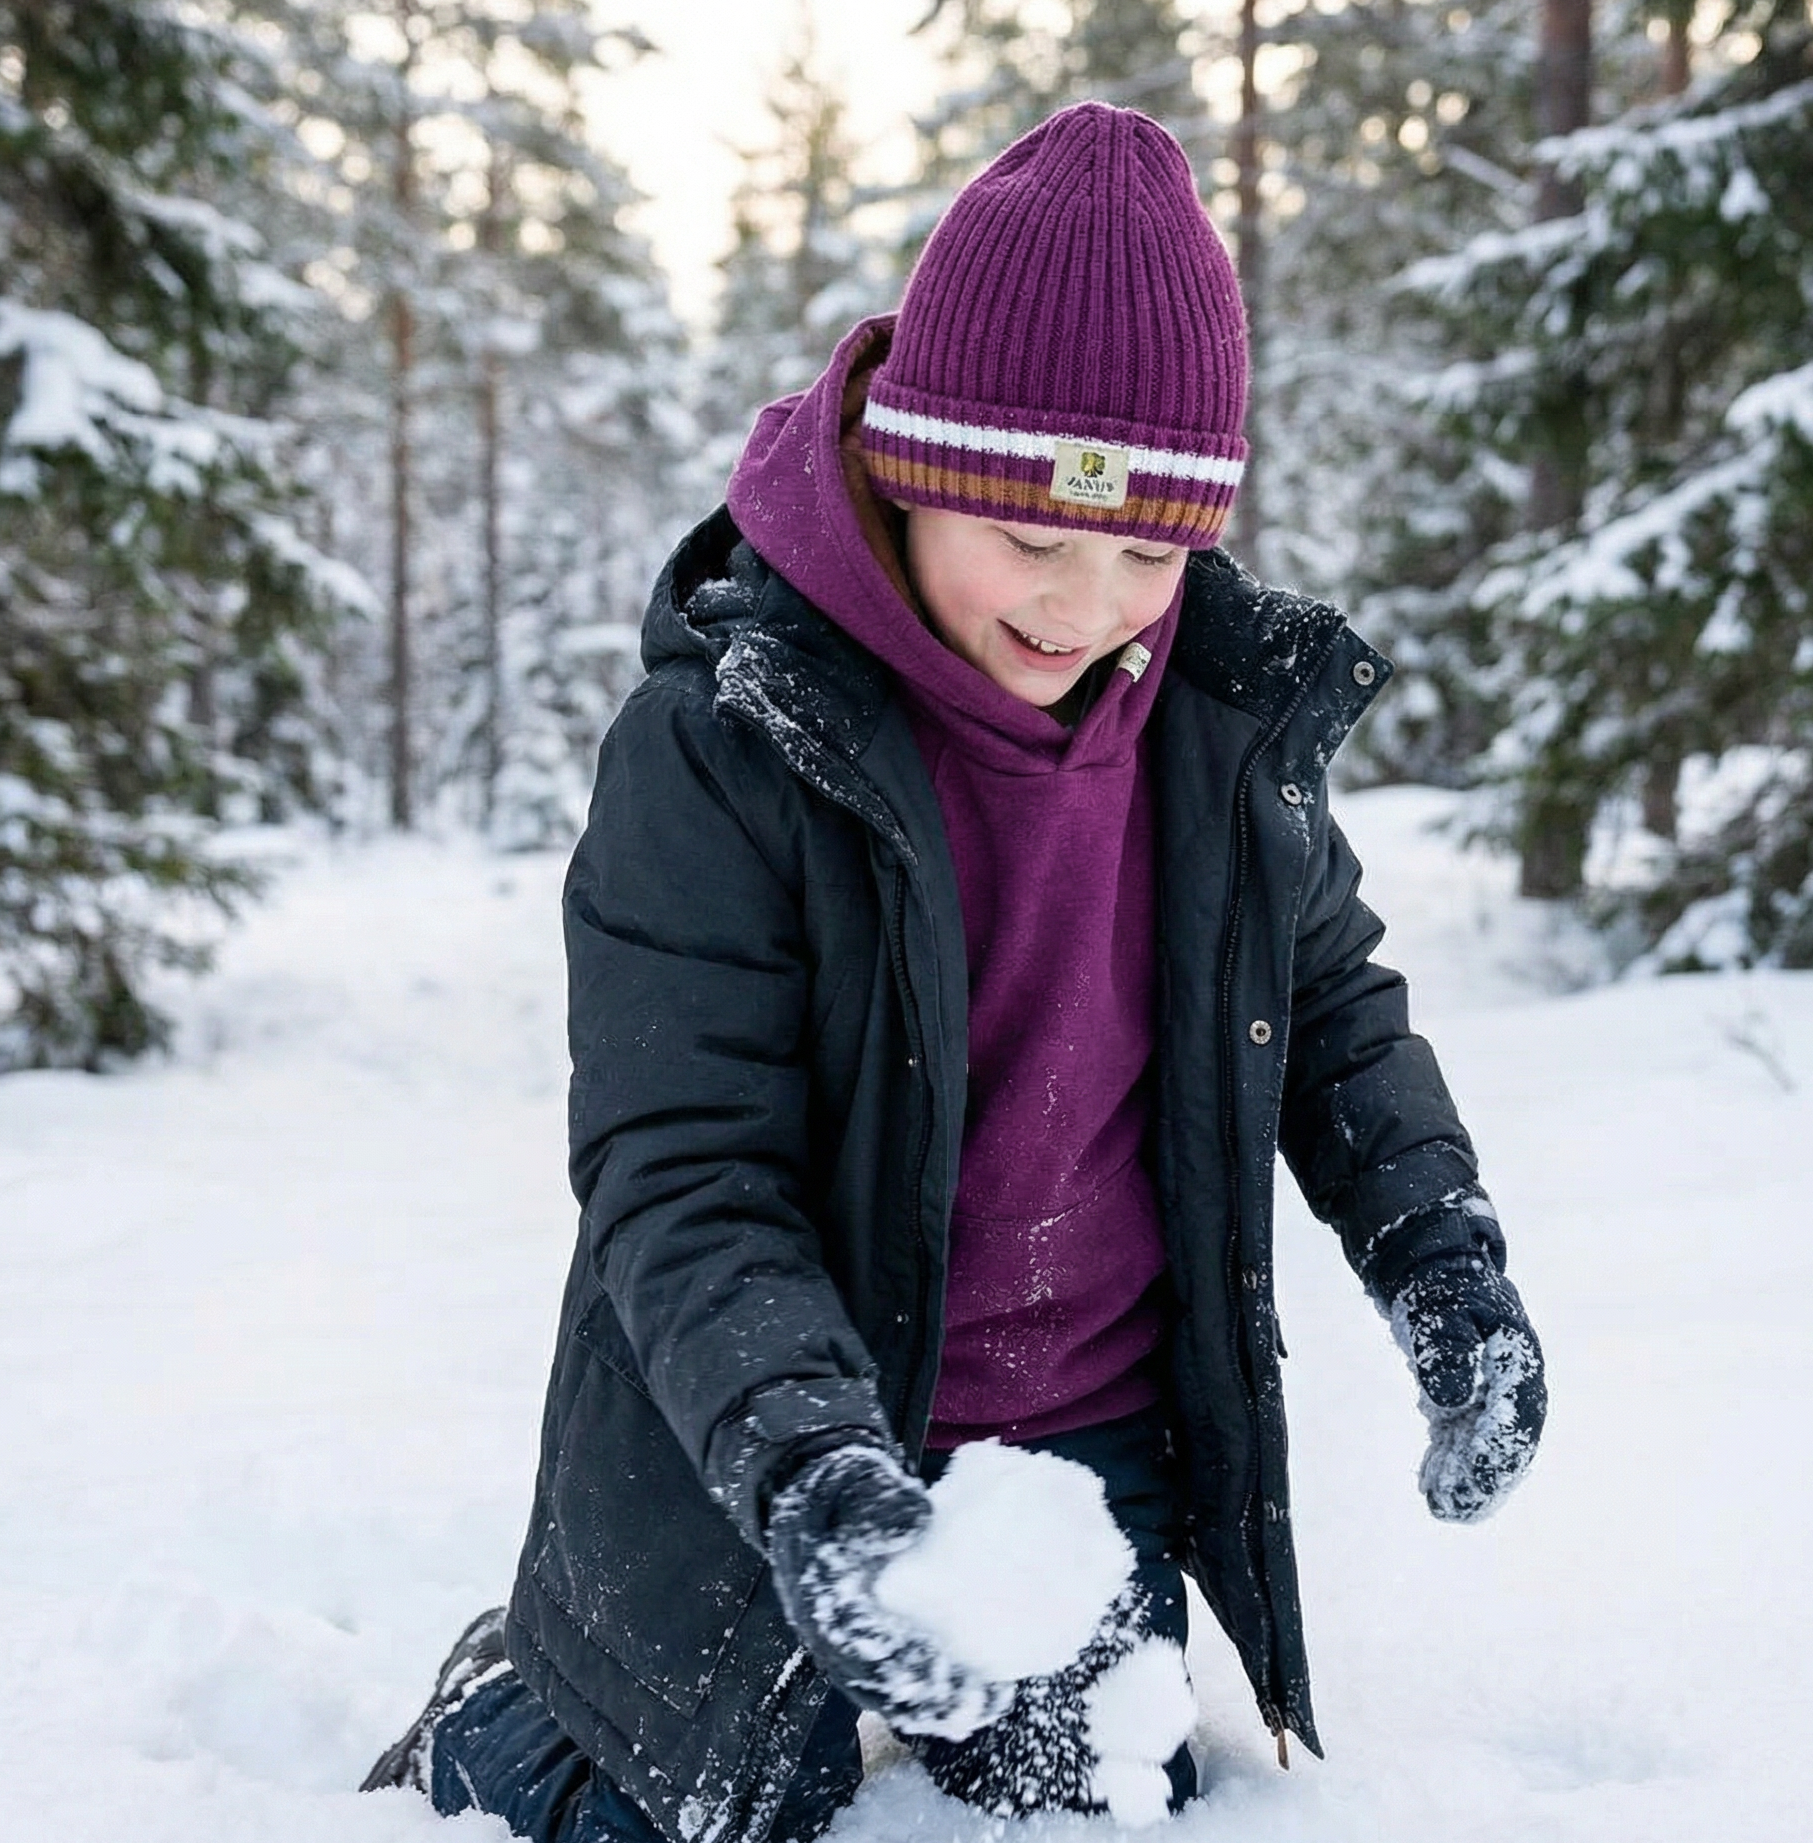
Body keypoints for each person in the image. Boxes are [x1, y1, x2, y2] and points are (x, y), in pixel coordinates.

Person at [361, 100, 1547, 1843]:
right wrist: (815, 1471)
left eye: (1148, 551)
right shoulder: (727, 744)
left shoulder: (1214, 731)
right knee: (666, 1811)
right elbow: (682, 1168)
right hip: (769, 1432)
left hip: (1080, 1442)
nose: (1083, 607)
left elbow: (1337, 1016)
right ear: (910, 468)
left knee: (1086, 1807)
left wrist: (1447, 1266)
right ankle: (513, 1709)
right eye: (1031, 536)